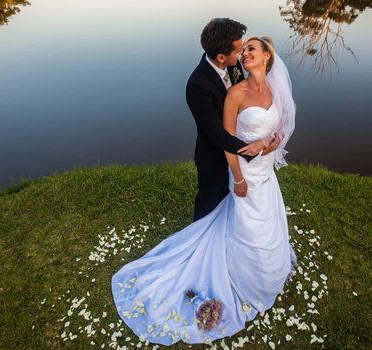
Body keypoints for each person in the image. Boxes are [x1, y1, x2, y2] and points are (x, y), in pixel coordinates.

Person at [111, 35, 297, 345]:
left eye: (252, 48)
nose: (245, 52)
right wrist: (238, 178)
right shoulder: (235, 93)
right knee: (247, 226)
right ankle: (243, 277)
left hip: (265, 172)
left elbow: (277, 128)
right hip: (245, 171)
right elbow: (227, 143)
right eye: (243, 48)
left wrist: (269, 143)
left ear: (267, 57)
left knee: (269, 221)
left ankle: (267, 271)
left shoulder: (275, 90)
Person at [185, 18, 281, 221]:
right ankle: (200, 235)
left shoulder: (232, 63)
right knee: (210, 199)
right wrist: (257, 149)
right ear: (221, 57)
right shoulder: (197, 85)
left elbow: (246, 95)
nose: (243, 54)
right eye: (239, 51)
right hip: (214, 154)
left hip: (239, 142)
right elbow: (218, 136)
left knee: (231, 203)